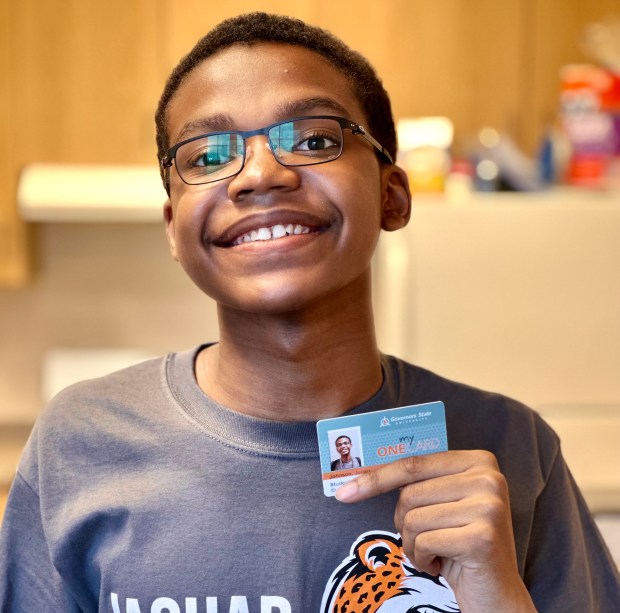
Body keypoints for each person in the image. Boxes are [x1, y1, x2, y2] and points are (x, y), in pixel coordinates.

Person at [1, 11, 619, 613]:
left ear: (392, 196)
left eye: (315, 140)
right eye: (207, 156)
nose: (260, 175)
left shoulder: (513, 449)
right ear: (173, 227)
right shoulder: (78, 445)